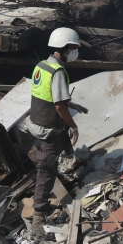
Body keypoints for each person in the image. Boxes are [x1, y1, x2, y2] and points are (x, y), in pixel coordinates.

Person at [21, 27, 88, 230]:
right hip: (50, 129)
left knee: (62, 154)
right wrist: (73, 125)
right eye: (74, 48)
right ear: (65, 48)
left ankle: (72, 177)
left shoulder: (42, 66)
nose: (75, 52)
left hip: (36, 123)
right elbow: (58, 106)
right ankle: (39, 219)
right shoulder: (58, 71)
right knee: (46, 172)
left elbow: (49, 97)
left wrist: (72, 105)